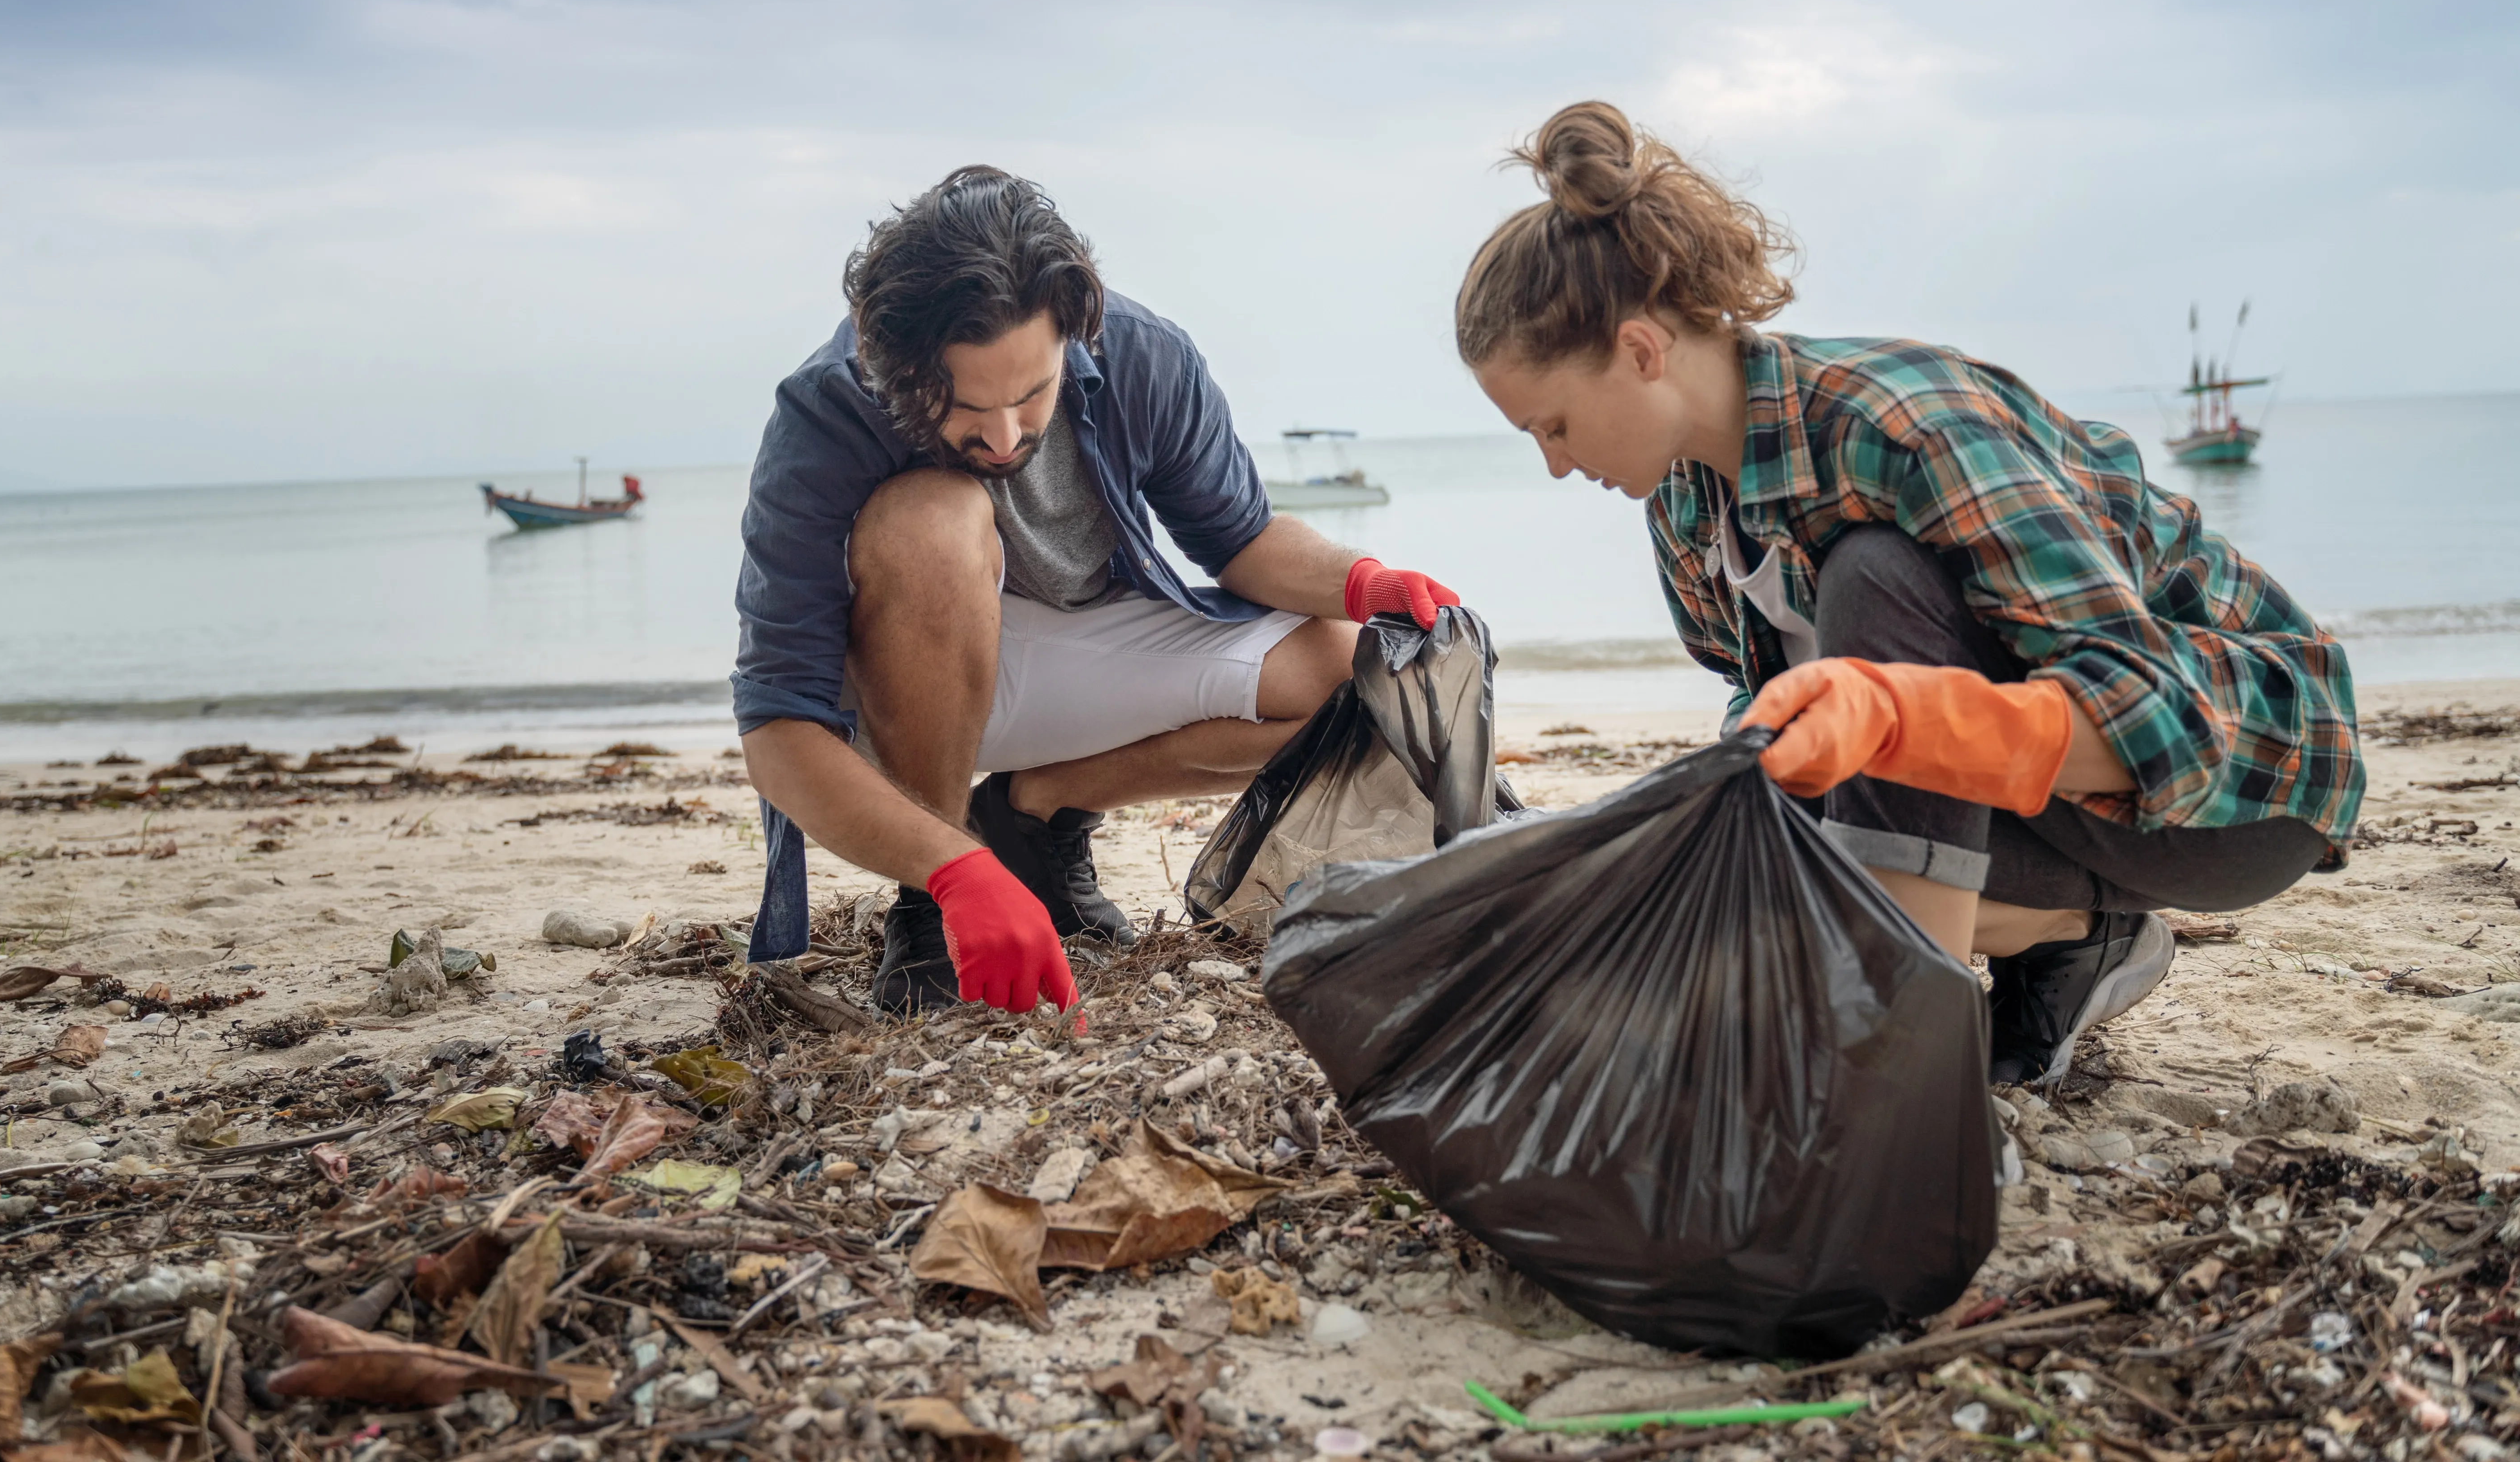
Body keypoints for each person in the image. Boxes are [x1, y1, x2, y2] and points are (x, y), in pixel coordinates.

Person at [1455, 101, 2362, 1086]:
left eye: (1553, 426)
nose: (1556, 465)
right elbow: (1769, 709)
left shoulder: (1901, 423)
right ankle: (2073, 937)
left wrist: (1902, 719)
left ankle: (1902, 1047)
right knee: (1730, 845)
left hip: (2242, 786)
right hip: (2036, 813)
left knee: (1875, 574)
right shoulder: (1683, 502)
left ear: (1641, 352)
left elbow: (2159, 719)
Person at [733, 165, 1461, 1017]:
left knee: (1352, 673)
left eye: (1032, 394)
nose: (1004, 438)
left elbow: (1243, 542)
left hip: (1058, 655)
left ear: (1073, 330)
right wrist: (951, 871)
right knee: (932, 518)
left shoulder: (1145, 354)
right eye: (962, 406)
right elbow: (777, 725)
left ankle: (1035, 815)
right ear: (886, 357)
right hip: (892, 690)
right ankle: (933, 902)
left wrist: (1363, 581)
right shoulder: (826, 405)